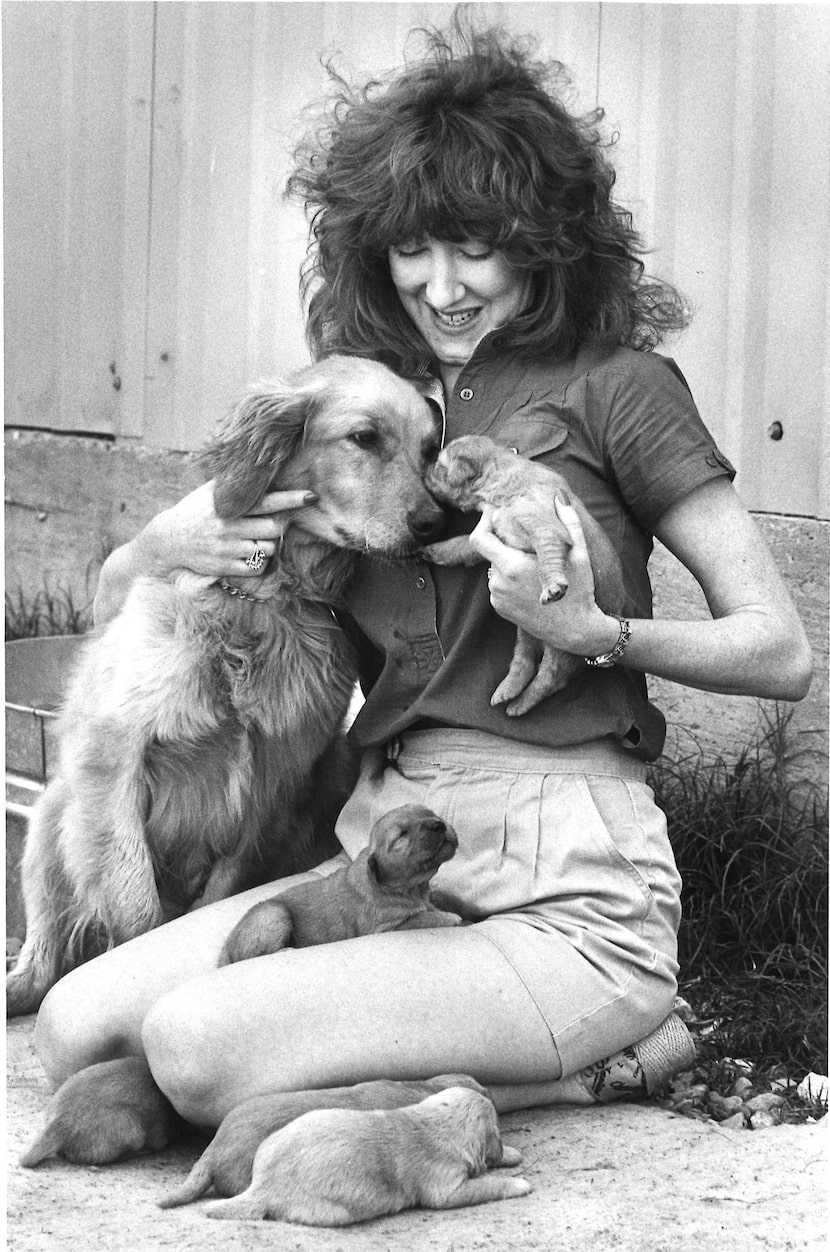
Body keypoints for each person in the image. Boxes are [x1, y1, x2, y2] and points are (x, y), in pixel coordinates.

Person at [35, 25, 812, 1128]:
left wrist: (597, 631)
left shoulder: (620, 388)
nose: (441, 287)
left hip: (561, 871)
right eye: (411, 251)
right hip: (378, 855)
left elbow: (779, 651)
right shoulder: (377, 416)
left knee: (192, 1049)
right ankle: (382, 1053)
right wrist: (149, 551)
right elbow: (124, 598)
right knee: (74, 1025)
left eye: (475, 247)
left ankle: (610, 1048)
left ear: (542, 240)